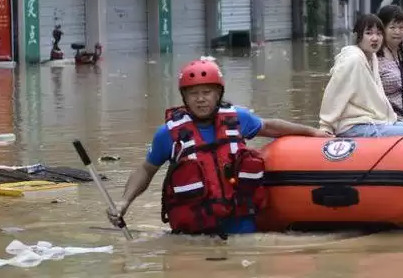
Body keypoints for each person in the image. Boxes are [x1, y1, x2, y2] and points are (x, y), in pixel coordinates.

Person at [108, 58, 330, 237]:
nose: (201, 99)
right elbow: (147, 169)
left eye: (207, 92)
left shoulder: (237, 119)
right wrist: (124, 202)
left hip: (242, 228)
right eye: (193, 94)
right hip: (193, 235)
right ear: (184, 98)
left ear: (218, 94)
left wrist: (312, 132)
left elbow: (270, 127)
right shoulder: (168, 133)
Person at [319, 13, 403, 138]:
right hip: (354, 126)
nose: (375, 38)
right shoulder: (353, 60)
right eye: (369, 33)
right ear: (358, 36)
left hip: (375, 121)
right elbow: (334, 94)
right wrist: (326, 126)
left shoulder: (371, 57)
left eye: (379, 34)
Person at [377, 5, 403, 119]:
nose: (397, 32)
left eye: (401, 27)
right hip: (385, 118)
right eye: (392, 27)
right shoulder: (374, 58)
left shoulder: (401, 53)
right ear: (382, 29)